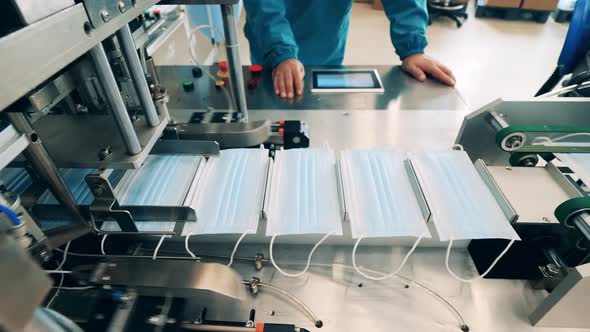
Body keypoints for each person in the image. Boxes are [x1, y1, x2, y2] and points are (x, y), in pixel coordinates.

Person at [243, 0, 456, 99]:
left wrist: (413, 48)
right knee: (274, 106)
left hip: (325, 37)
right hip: (271, 41)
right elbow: (264, 7)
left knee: (322, 107)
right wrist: (281, 52)